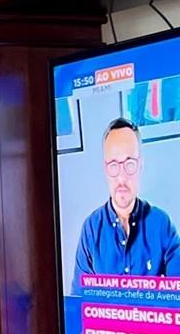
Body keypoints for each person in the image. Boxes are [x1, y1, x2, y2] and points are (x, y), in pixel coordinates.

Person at [74, 117, 180, 282]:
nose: (122, 177)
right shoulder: (91, 230)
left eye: (129, 163)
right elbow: (79, 296)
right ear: (105, 169)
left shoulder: (162, 224)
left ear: (140, 165)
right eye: (114, 165)